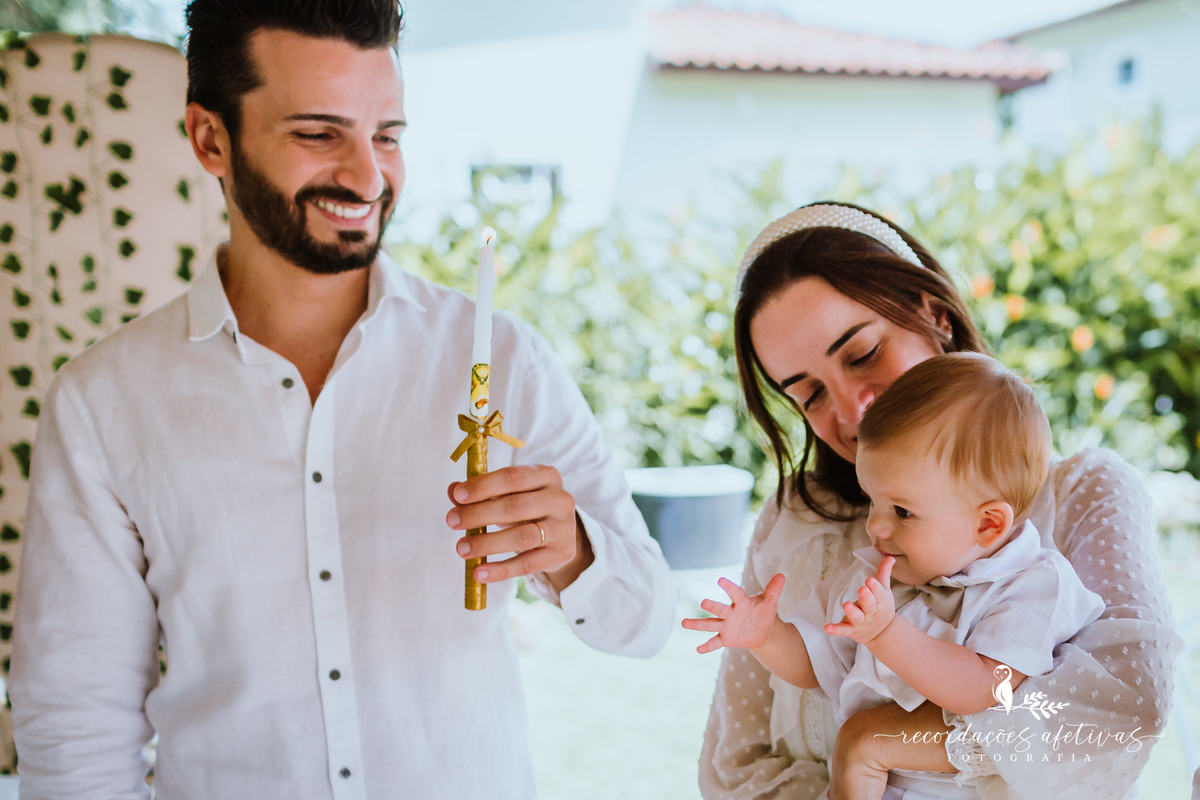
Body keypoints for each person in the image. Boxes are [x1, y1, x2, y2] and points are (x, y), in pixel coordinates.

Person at [9, 2, 674, 797]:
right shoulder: (103, 407)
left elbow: (648, 618)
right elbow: (76, 727)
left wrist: (573, 550)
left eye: (387, 135)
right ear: (209, 138)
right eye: (319, 134)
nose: (367, 177)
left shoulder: (501, 359)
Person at [699, 202, 1182, 800]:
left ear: (935, 314)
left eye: (863, 354)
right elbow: (736, 765)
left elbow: (1116, 715)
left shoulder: (1075, 509)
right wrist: (767, 635)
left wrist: (876, 741)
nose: (854, 410)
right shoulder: (797, 522)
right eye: (811, 394)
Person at [685, 352, 1106, 799]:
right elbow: (817, 659)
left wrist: (885, 631)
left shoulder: (1033, 584)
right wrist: (767, 635)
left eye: (902, 511)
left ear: (988, 524)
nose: (876, 526)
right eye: (873, 501)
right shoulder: (878, 574)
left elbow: (980, 688)